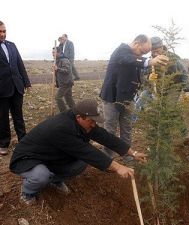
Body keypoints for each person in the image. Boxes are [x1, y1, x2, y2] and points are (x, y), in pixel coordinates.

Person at [9, 99, 147, 205]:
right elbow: (87, 152)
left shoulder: (83, 122)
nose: (94, 124)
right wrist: (117, 167)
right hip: (29, 158)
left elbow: (106, 137)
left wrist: (133, 153)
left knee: (80, 164)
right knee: (41, 176)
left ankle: (55, 180)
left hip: (52, 156)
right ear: (79, 117)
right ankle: (27, 193)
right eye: (92, 121)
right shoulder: (61, 128)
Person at [100, 34, 169, 158]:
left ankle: (127, 156)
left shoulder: (134, 56)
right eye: (142, 51)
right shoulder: (121, 51)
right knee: (110, 130)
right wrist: (149, 61)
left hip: (128, 98)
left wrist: (147, 78)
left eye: (144, 54)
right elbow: (128, 60)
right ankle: (107, 159)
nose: (141, 55)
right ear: (136, 43)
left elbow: (136, 73)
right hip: (112, 98)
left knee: (126, 128)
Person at [0, 21, 31, 156]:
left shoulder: (12, 45)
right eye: (0, 32)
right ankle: (3, 143)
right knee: (2, 118)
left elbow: (19, 64)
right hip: (2, 89)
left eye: (4, 31)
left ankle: (23, 141)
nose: (3, 34)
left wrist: (27, 82)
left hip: (17, 86)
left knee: (18, 115)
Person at [52, 47, 75, 112]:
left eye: (54, 52)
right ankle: (75, 111)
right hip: (65, 82)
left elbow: (67, 70)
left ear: (58, 53)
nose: (52, 54)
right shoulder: (58, 60)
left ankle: (64, 112)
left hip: (66, 83)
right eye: (52, 52)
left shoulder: (64, 60)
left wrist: (57, 69)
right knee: (68, 99)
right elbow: (59, 73)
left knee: (58, 97)